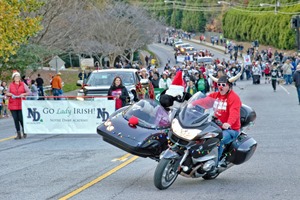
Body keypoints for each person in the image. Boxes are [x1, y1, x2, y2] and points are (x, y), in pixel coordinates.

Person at [202, 67, 244, 168]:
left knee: (217, 140)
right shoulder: (216, 95)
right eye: (219, 85)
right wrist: (192, 104)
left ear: (229, 86)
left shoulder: (234, 98)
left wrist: (228, 123)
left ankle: (215, 163)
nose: (220, 87)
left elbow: (234, 113)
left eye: (223, 85)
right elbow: (204, 101)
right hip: (214, 125)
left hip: (231, 129)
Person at [5, 71, 30, 139]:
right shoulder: (11, 85)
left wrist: (23, 94)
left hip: (21, 103)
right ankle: (18, 133)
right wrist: (10, 94)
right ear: (13, 78)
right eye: (16, 77)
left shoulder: (23, 84)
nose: (17, 78)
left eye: (18, 77)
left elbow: (29, 92)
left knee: (21, 119)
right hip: (13, 104)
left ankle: (24, 131)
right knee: (15, 119)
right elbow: (7, 93)